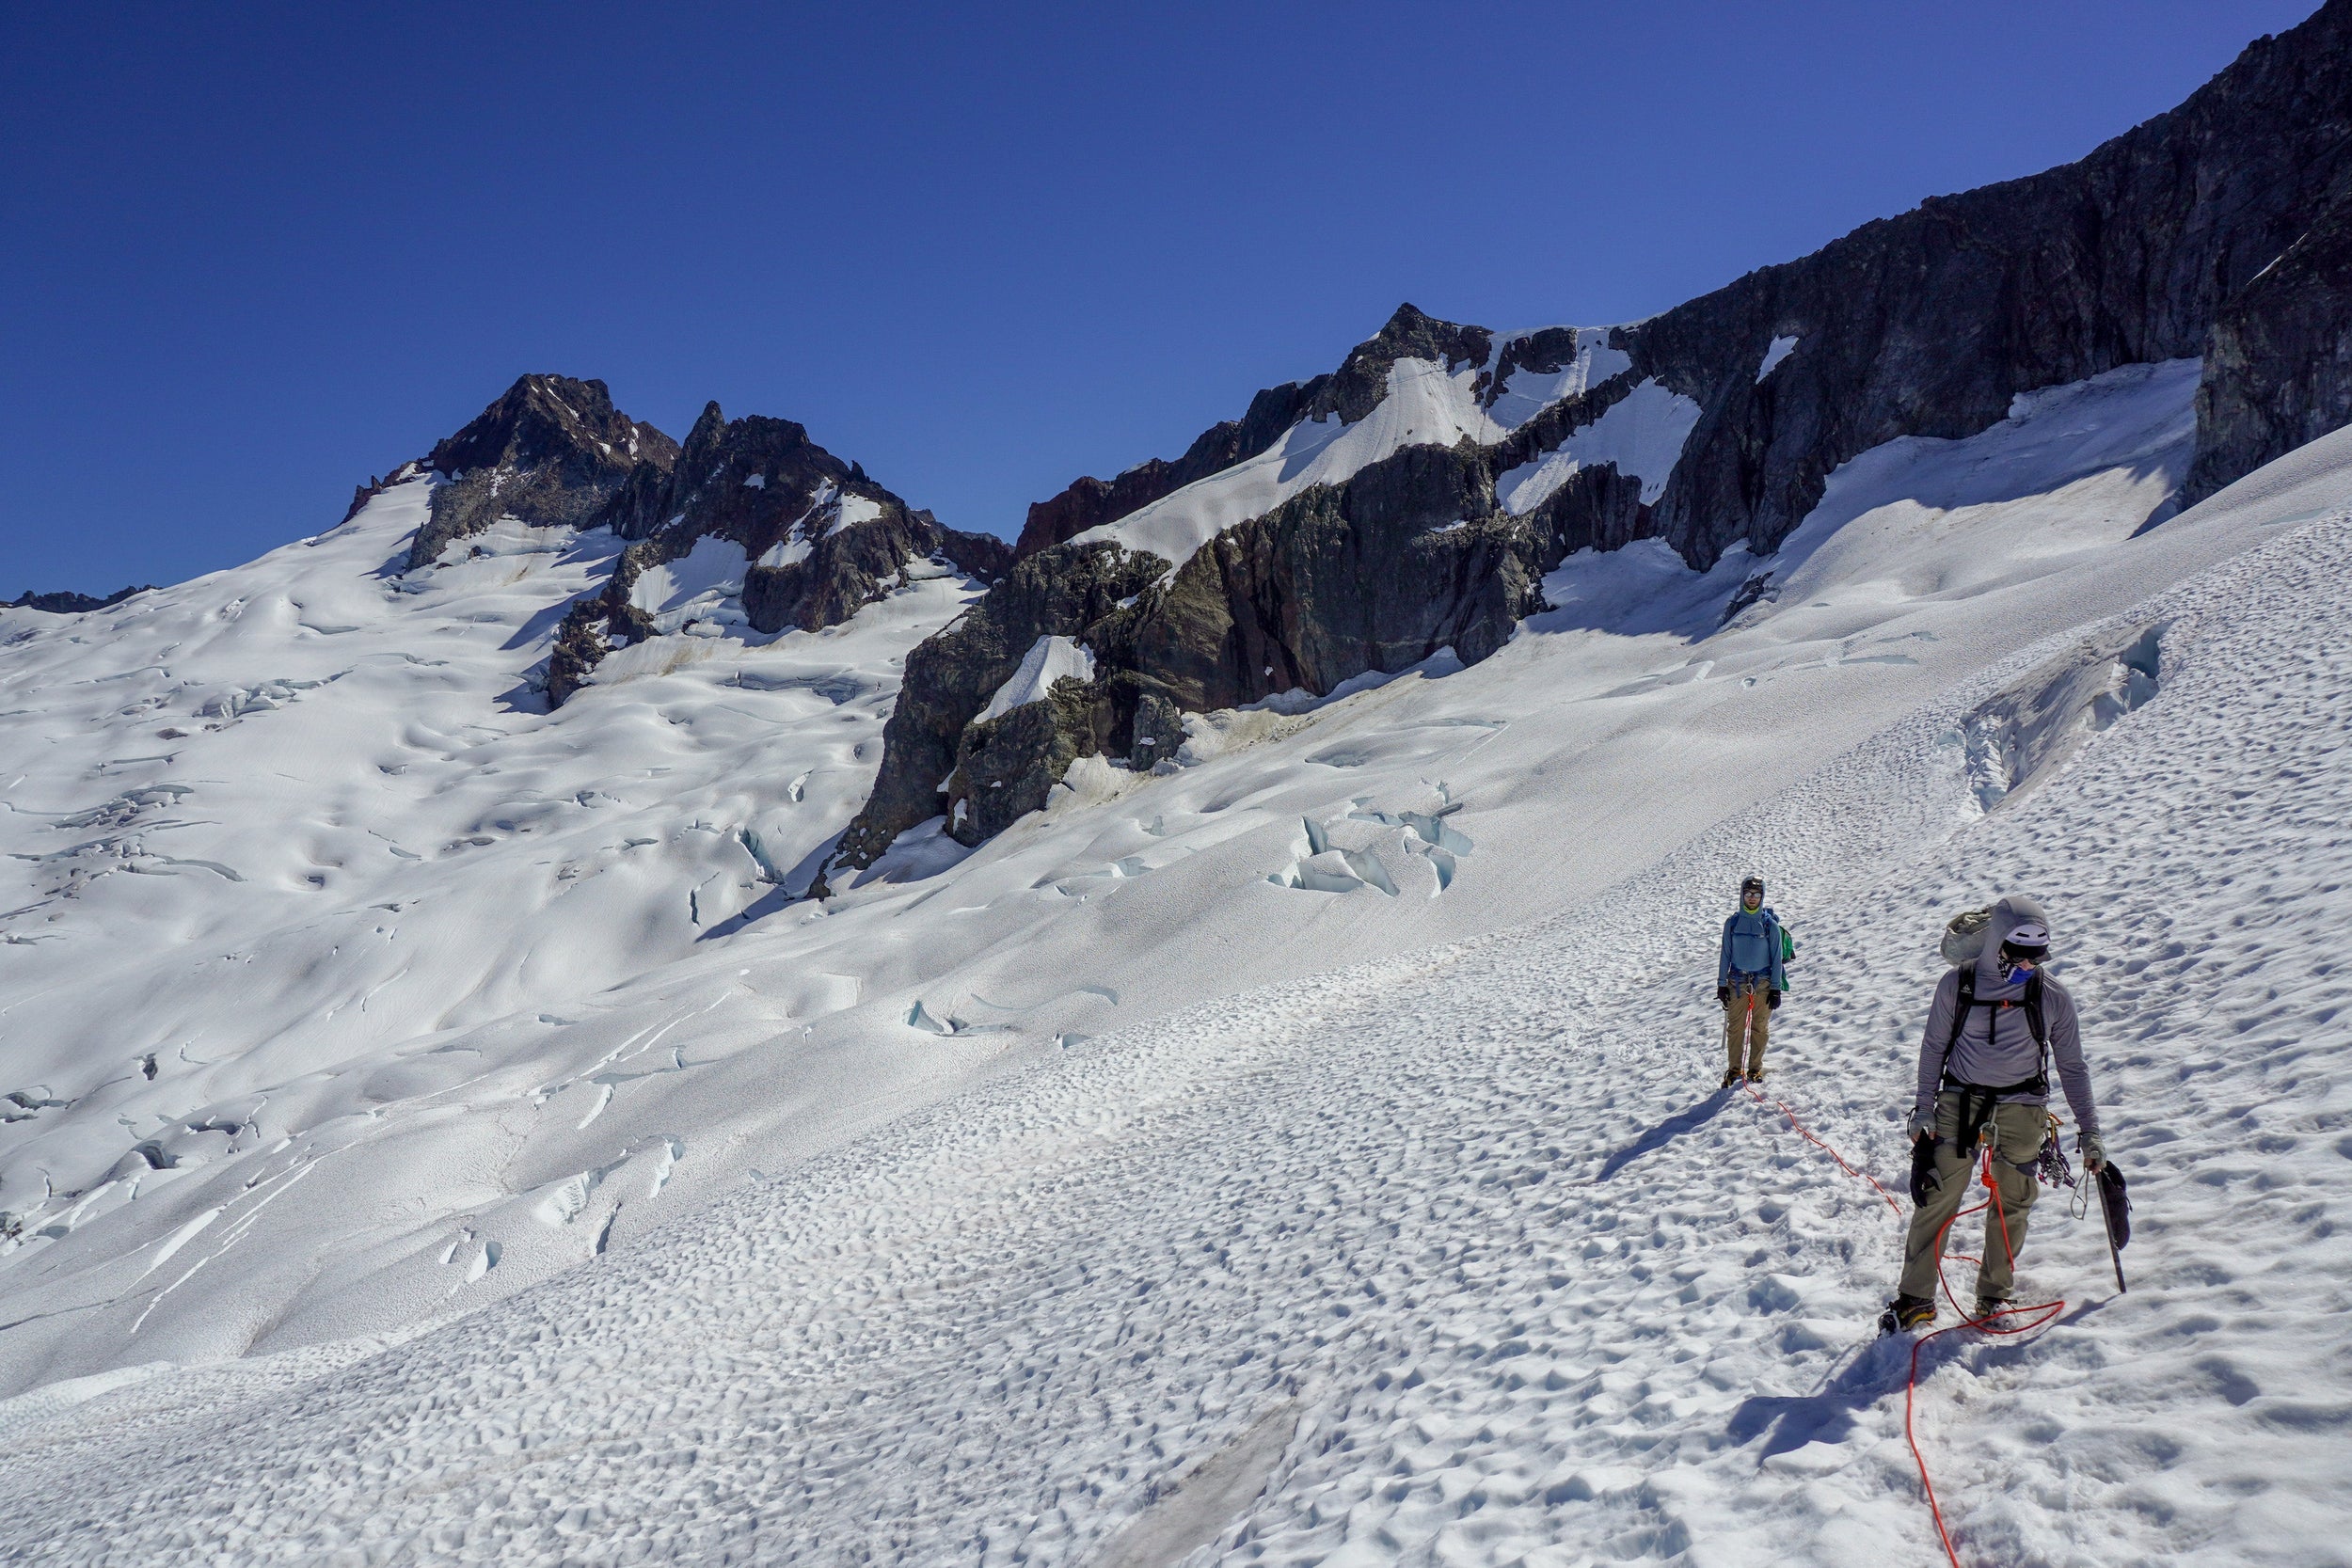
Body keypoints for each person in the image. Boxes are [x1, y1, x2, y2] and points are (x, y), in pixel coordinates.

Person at [1887, 895, 2106, 1329]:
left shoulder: (2051, 996)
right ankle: (1916, 1298)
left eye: (2035, 956)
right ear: (1995, 944)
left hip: (2024, 1105)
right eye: (2017, 954)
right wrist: (1923, 1108)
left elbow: (2072, 1065)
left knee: (2014, 1201)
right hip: (1959, 1101)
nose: (2027, 964)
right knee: (1937, 1195)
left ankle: (1994, 1295)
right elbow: (1933, 1048)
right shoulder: (1958, 985)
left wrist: (2091, 1130)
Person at [1717, 875, 1785, 1086]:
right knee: (1735, 1028)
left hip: (1763, 983)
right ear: (1742, 895)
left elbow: (1776, 957)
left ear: (1762, 896)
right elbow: (1725, 954)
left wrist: (1776, 988)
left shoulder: (1769, 925)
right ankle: (1734, 1068)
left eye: (1757, 894)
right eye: (1748, 894)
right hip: (1736, 981)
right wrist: (1721, 983)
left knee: (1760, 1027)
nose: (1752, 898)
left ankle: (1755, 1068)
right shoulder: (1733, 923)